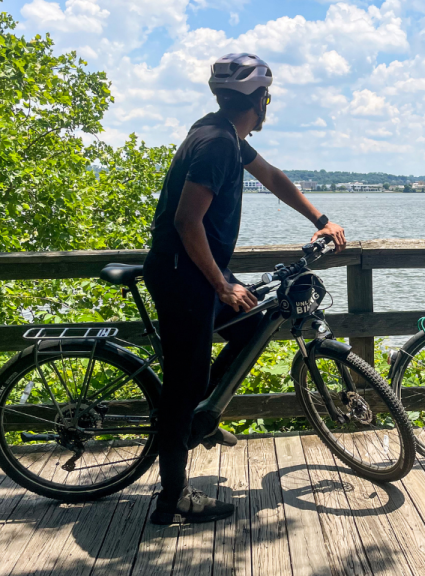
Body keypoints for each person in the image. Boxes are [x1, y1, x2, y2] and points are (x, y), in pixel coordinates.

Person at [143, 53, 347, 525]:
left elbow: (271, 177)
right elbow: (187, 220)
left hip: (195, 270)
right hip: (184, 275)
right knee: (182, 387)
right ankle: (172, 499)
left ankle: (203, 415)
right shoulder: (217, 144)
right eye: (266, 98)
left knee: (251, 327)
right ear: (258, 101)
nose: (266, 107)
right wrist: (222, 285)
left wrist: (321, 219)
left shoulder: (222, 134)